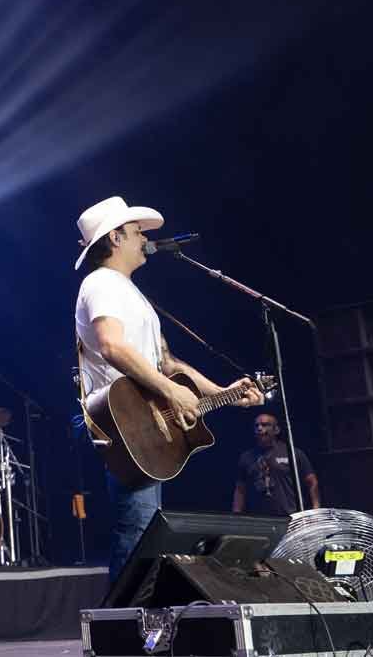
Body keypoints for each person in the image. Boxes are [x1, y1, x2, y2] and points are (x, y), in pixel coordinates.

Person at [73, 196, 263, 582]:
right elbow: (111, 345)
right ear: (115, 238)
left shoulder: (130, 292)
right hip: (123, 421)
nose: (145, 239)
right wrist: (171, 392)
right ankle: (123, 616)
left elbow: (168, 363)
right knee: (137, 530)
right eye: (137, 232)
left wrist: (223, 391)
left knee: (147, 531)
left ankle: (139, 612)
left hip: (143, 420)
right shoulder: (102, 283)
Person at [232, 413, 320, 515]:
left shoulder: (292, 453)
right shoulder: (246, 457)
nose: (259, 428)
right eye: (256, 426)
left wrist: (316, 509)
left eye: (265, 425)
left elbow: (312, 481)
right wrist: (236, 514)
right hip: (259, 518)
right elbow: (240, 489)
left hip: (290, 515)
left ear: (276, 430)